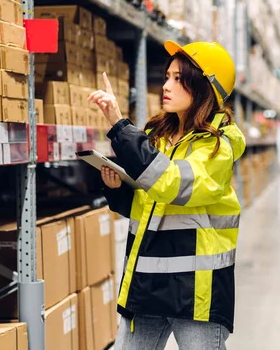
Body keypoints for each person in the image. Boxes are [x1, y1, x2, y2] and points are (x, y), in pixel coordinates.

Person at [89, 41, 246, 349]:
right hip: (147, 281)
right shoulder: (158, 135)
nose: (166, 86)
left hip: (194, 291)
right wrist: (118, 188)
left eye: (178, 78)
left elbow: (173, 185)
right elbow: (149, 205)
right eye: (167, 76)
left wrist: (121, 126)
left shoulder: (218, 145)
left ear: (204, 87)